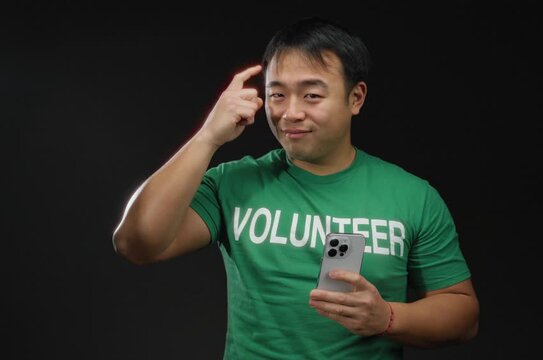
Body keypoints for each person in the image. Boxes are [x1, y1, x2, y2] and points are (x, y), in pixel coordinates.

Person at [112, 16, 479, 359]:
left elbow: (463, 314)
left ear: (356, 98)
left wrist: (389, 318)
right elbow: (137, 243)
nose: (290, 113)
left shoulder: (413, 196)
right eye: (277, 95)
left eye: (312, 95)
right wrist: (208, 137)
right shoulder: (234, 183)